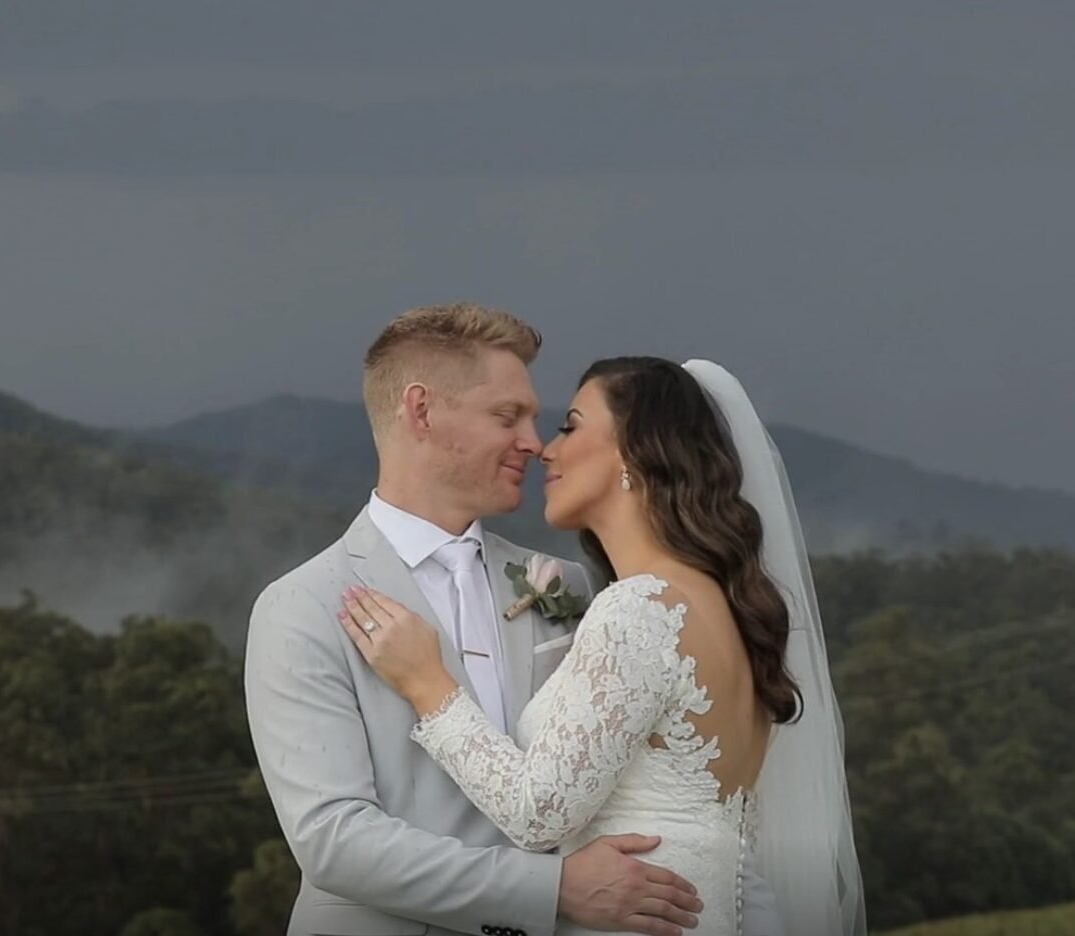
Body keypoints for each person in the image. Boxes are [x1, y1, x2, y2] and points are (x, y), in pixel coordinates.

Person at [246, 307, 738, 936]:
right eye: (508, 417)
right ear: (421, 411)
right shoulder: (303, 605)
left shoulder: (569, 585)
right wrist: (553, 890)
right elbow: (334, 841)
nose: (534, 442)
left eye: (536, 419)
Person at [339, 356, 866, 935]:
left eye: (570, 426)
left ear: (635, 453)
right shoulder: (725, 608)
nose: (546, 451)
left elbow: (537, 814)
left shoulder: (639, 609)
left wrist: (427, 684)